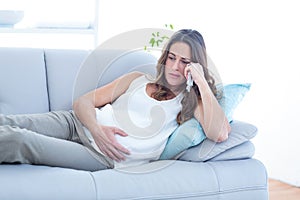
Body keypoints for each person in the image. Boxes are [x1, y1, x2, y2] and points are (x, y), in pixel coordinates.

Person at [0, 29, 231, 171]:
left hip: (100, 156)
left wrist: (200, 81)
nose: (174, 67)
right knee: (12, 122)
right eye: (171, 57)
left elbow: (220, 133)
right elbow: (83, 102)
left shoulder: (192, 105)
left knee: (19, 140)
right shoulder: (138, 79)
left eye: (184, 62)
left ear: (195, 65)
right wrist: (97, 129)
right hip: (77, 123)